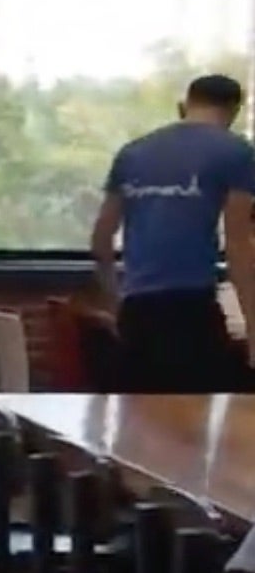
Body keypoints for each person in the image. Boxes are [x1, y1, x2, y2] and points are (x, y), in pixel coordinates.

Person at [90, 72, 255, 392]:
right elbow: (238, 245)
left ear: (184, 106)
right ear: (234, 112)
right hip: (191, 309)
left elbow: (101, 238)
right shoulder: (237, 153)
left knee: (140, 423)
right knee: (198, 422)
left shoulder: (132, 153)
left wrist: (115, 302)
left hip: (137, 310)